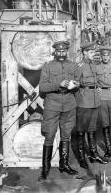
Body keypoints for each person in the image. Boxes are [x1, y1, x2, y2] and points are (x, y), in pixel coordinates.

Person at [38, 40, 79, 181]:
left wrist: (76, 85)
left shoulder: (73, 66)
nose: (61, 54)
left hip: (69, 103)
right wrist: (58, 84)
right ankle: (45, 169)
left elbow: (78, 82)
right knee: (49, 134)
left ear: (67, 51)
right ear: (54, 52)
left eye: (64, 51)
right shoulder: (47, 67)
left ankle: (64, 165)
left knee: (66, 135)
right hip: (52, 104)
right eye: (59, 51)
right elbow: (42, 88)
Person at [75, 42, 108, 169]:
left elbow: (96, 80)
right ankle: (82, 157)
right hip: (84, 101)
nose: (93, 54)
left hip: (95, 100)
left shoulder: (94, 65)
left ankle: (94, 154)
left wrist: (98, 87)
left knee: (92, 128)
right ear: (84, 52)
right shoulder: (80, 66)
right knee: (81, 130)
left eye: (94, 52)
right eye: (91, 52)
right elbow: (75, 83)